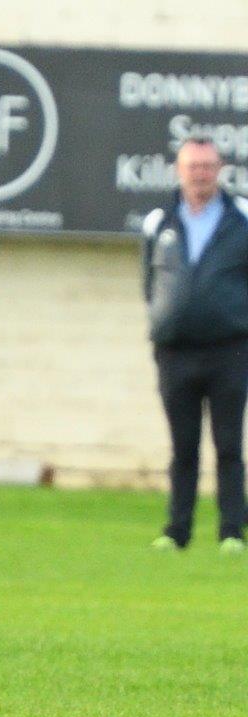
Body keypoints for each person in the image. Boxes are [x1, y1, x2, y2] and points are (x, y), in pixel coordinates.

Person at [142, 134, 248, 554]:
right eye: (192, 167)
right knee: (183, 447)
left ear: (219, 170)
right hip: (175, 351)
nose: (200, 174)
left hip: (230, 351)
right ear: (178, 171)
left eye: (207, 166)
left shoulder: (241, 217)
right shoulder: (159, 222)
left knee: (228, 445)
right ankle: (177, 531)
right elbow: (149, 286)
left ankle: (231, 533)